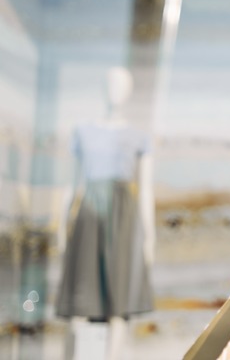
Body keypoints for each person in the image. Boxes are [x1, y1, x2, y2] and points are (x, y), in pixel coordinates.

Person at [56, 66, 155, 360]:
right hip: (89, 215)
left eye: (122, 85)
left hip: (123, 219)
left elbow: (146, 188)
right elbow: (72, 185)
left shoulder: (138, 136)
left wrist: (149, 236)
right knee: (81, 296)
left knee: (118, 300)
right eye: (111, 84)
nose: (116, 91)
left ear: (129, 91)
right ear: (103, 88)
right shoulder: (83, 132)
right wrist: (63, 225)